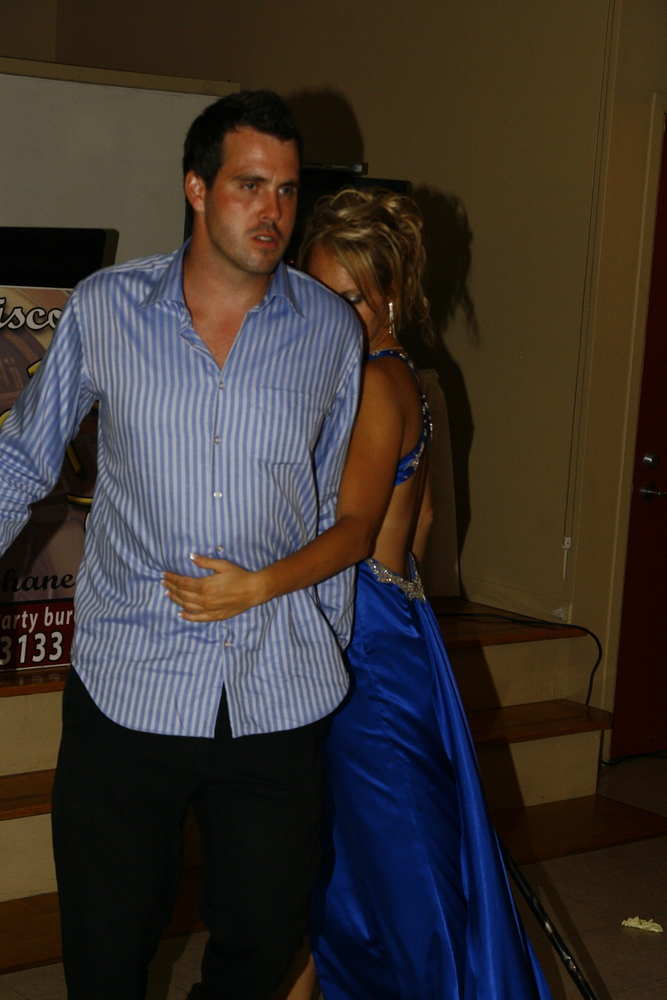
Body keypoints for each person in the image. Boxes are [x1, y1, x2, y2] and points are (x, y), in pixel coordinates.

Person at [0, 92, 363, 1000]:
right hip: (131, 680)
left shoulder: (329, 329)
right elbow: (22, 460)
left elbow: (328, 497)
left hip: (275, 688)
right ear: (197, 188)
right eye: (249, 185)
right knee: (106, 943)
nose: (273, 210)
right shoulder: (106, 308)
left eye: (287, 190)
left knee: (265, 934)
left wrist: (328, 636)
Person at [164, 187, 553, 1000]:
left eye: (350, 298)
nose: (329, 313)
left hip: (365, 647)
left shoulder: (377, 383)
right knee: (346, 859)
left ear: (392, 295)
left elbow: (352, 532)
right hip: (387, 626)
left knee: (400, 867)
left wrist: (255, 586)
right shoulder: (397, 376)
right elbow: (423, 522)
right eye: (316, 292)